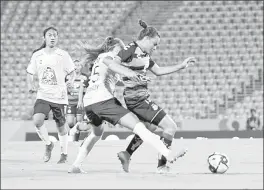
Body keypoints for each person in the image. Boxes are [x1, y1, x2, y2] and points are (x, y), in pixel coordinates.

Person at [68, 36, 187, 173]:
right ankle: (167, 154)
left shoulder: (100, 59)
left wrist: (136, 76)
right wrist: (130, 73)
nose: (121, 53)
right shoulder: (108, 56)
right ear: (113, 48)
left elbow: (117, 76)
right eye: (120, 49)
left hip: (90, 102)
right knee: (140, 127)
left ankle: (76, 165)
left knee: (96, 134)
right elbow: (111, 64)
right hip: (103, 101)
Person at [111, 19, 196, 173]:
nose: (155, 48)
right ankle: (162, 166)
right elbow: (113, 63)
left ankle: (127, 153)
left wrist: (181, 66)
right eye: (154, 44)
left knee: (148, 128)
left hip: (139, 98)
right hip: (136, 99)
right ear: (146, 38)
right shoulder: (130, 49)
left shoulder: (144, 55)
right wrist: (128, 76)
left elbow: (158, 71)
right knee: (170, 127)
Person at [26, 26, 76, 164]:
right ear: (44, 38)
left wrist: (70, 81)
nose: (52, 37)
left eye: (55, 35)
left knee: (61, 125)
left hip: (59, 96)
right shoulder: (37, 55)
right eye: (49, 35)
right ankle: (48, 144)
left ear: (57, 38)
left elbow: (72, 72)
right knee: (37, 120)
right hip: (43, 95)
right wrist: (31, 84)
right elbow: (30, 72)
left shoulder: (63, 55)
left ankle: (64, 154)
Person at [65, 59, 89, 141]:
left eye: (78, 65)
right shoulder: (68, 77)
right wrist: (66, 85)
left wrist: (81, 100)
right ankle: (73, 131)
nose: (76, 67)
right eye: (75, 65)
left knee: (79, 121)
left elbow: (85, 90)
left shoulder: (85, 77)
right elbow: (63, 89)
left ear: (81, 67)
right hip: (70, 102)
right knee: (70, 122)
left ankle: (76, 140)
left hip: (80, 102)